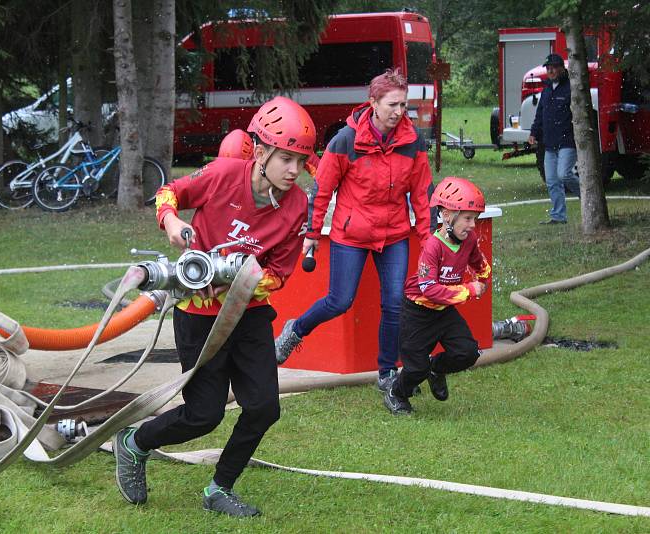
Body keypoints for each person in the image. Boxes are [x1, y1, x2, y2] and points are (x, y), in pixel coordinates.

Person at [114, 96, 315, 518]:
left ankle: (219, 488)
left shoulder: (297, 205)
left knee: (263, 407)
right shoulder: (224, 174)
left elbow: (280, 271)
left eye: (300, 160)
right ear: (260, 152)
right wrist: (172, 224)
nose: (295, 170)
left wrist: (245, 284)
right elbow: (169, 192)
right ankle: (135, 442)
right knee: (203, 415)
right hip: (199, 316)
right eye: (286, 159)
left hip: (249, 315)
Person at [274, 68, 433, 397]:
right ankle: (296, 330)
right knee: (339, 301)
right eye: (392, 104)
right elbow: (322, 190)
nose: (399, 112)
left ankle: (387, 373)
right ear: (373, 102)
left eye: (403, 105)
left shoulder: (413, 142)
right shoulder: (345, 140)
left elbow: (421, 196)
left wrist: (429, 243)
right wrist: (312, 234)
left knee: (394, 304)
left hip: (394, 235)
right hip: (352, 234)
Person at [380, 176, 491, 415]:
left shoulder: (468, 239)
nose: (473, 225)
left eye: (475, 219)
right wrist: (468, 290)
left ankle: (436, 369)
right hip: (417, 312)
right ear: (447, 216)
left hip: (443, 312)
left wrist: (483, 277)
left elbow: (478, 262)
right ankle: (396, 392)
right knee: (415, 369)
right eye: (468, 218)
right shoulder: (433, 247)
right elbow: (428, 288)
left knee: (467, 352)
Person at [528, 53, 580, 225]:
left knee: (564, 174)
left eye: (554, 67)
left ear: (561, 69)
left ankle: (589, 198)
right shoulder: (547, 90)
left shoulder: (570, 89)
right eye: (548, 68)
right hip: (549, 144)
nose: (550, 70)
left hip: (567, 142)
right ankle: (558, 216)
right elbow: (540, 115)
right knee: (552, 181)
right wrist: (533, 133)